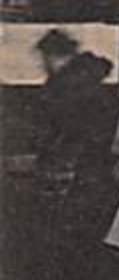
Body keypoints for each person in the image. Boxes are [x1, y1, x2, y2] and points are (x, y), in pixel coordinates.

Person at [36, 29, 114, 197]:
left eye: (44, 57)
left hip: (78, 158)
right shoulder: (87, 75)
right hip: (94, 155)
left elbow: (64, 126)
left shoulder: (66, 84)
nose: (43, 64)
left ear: (53, 55)